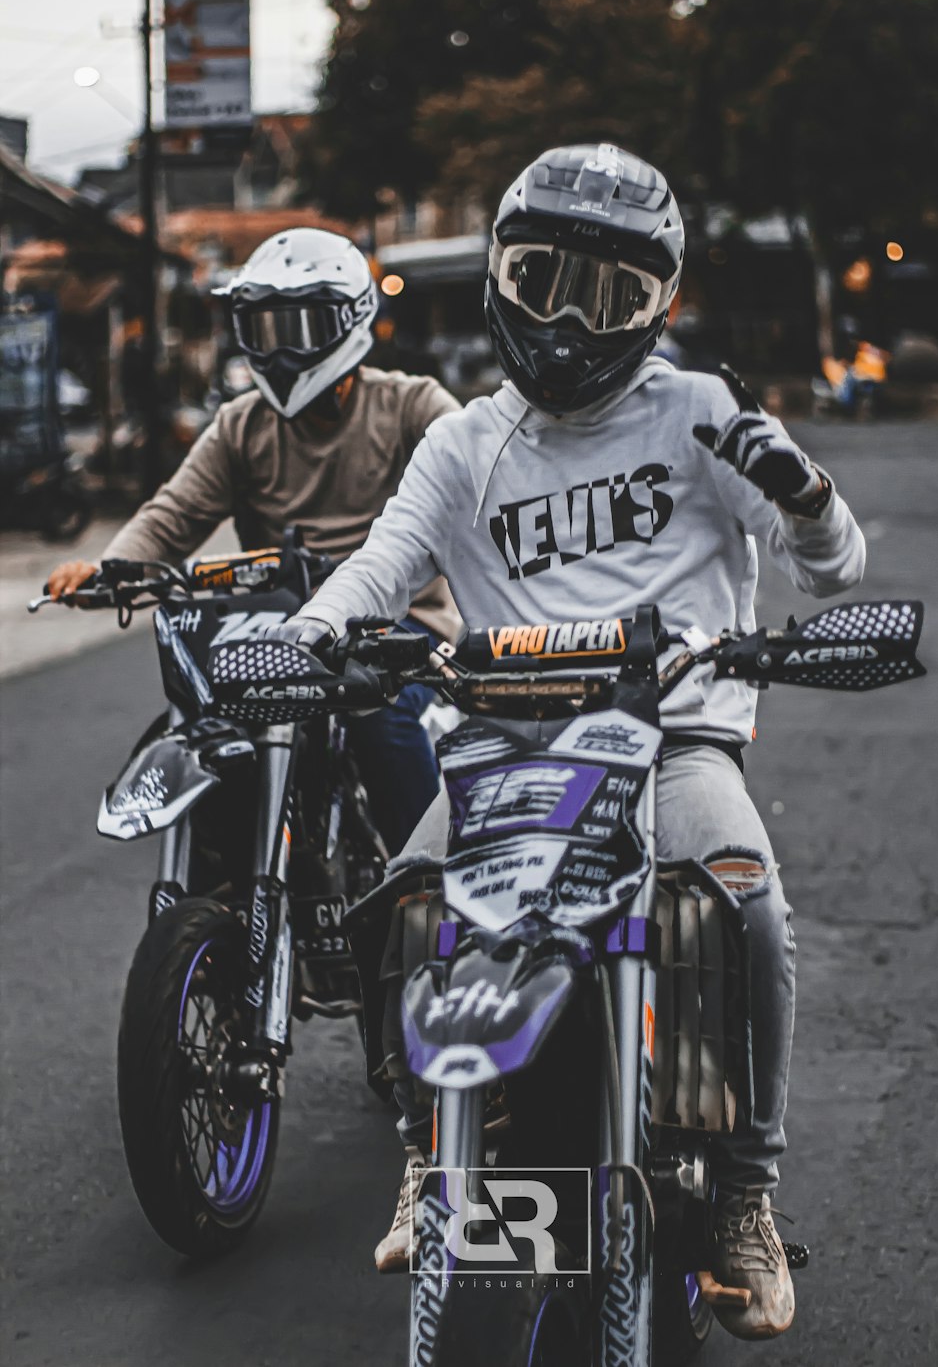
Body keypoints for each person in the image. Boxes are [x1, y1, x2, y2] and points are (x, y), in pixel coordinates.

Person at [268, 145, 866, 1336]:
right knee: (402, 906)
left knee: (743, 904)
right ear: (498, 276)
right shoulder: (463, 443)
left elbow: (836, 565)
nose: (565, 319)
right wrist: (297, 639)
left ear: (660, 306)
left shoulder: (703, 411)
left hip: (674, 745)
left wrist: (803, 495)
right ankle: (424, 1154)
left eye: (607, 293)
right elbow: (379, 569)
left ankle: (746, 1190)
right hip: (502, 755)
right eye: (541, 278)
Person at [46, 227, 461, 855]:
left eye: (299, 327)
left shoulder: (411, 406)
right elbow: (171, 517)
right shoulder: (239, 426)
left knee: (384, 726)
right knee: (210, 735)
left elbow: (483, 484)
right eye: (265, 330)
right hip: (279, 635)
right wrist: (108, 570)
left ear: (348, 321)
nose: (281, 350)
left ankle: (424, 893)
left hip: (400, 639)